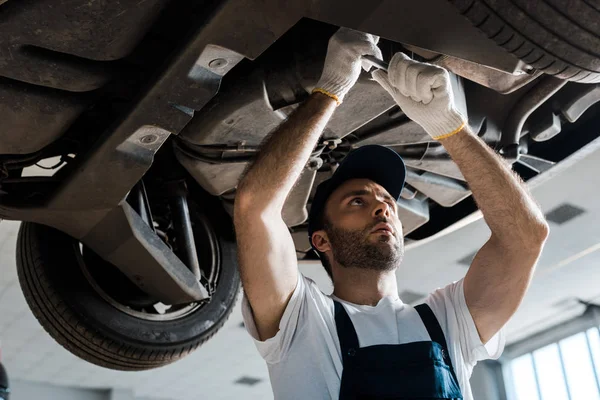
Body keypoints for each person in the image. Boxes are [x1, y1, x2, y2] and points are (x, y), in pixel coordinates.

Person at [234, 28, 549, 400]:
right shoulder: (302, 320)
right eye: (357, 201)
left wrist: (451, 128)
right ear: (321, 240)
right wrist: (330, 89)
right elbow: (256, 208)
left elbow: (525, 236)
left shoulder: (447, 322)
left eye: (387, 201)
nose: (382, 206)